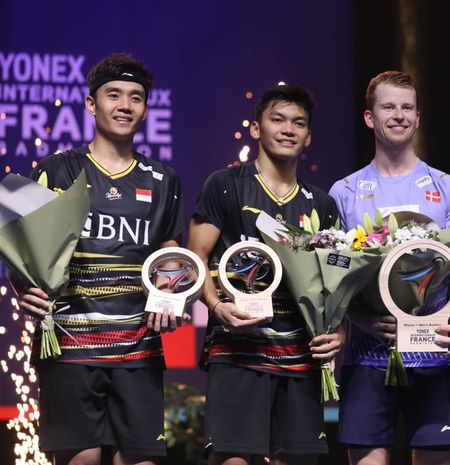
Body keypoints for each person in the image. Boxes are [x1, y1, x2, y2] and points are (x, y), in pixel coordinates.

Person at [16, 52, 186, 465]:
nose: (124, 105)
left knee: (143, 459)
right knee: (83, 460)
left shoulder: (163, 180)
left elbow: (171, 255)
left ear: (146, 109)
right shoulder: (56, 170)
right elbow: (19, 246)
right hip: (71, 347)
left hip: (139, 348)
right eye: (113, 95)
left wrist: (174, 295)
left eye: (136, 97)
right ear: (91, 103)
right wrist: (25, 288)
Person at [188, 84, 343, 465]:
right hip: (237, 349)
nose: (288, 129)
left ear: (308, 136)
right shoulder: (224, 186)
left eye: (299, 123)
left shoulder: (322, 204)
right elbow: (195, 256)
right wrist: (214, 304)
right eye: (278, 119)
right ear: (256, 128)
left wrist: (338, 332)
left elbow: (336, 286)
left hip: (299, 356)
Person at [328, 71, 450, 465]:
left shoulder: (448, 187)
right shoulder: (343, 191)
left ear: (418, 116)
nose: (399, 115)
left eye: (407, 107)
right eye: (388, 106)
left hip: (435, 352)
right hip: (366, 355)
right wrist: (361, 317)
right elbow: (333, 276)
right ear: (369, 117)